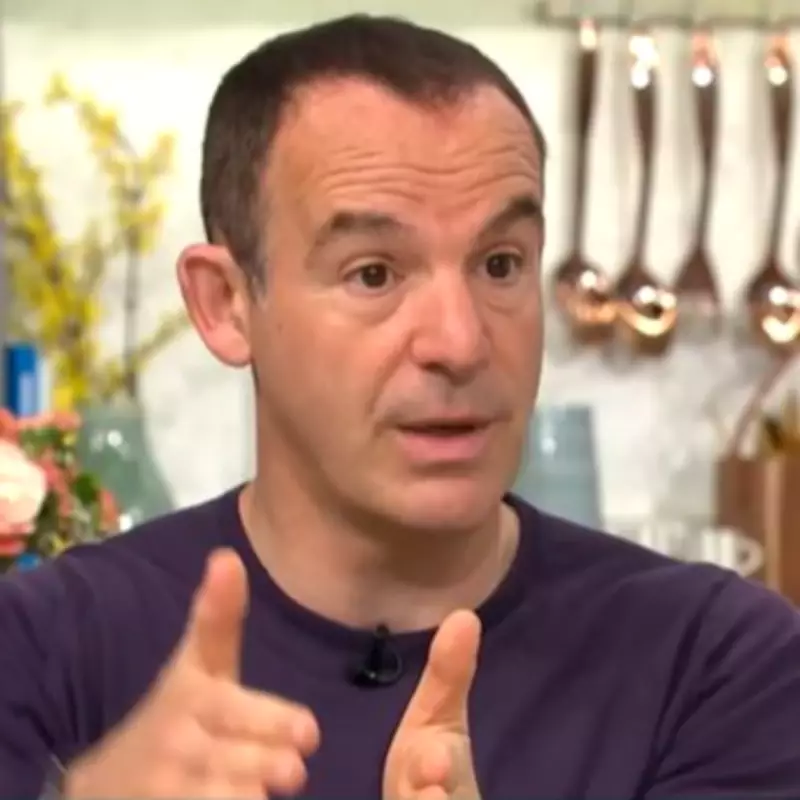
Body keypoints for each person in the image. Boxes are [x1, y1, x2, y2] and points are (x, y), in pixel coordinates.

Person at [1, 13, 799, 800]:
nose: (460, 342)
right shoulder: (39, 652)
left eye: (500, 264)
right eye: (374, 274)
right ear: (226, 305)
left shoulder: (719, 665)